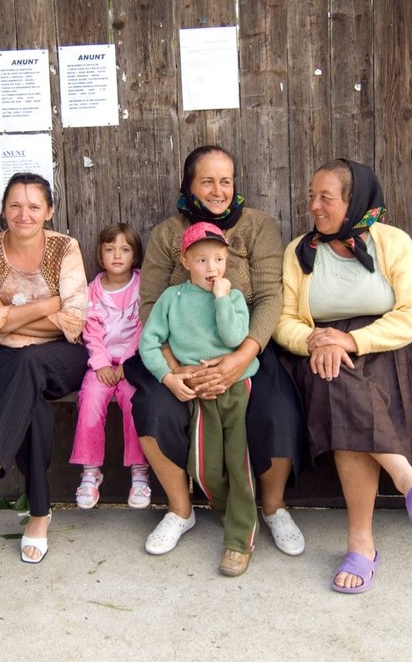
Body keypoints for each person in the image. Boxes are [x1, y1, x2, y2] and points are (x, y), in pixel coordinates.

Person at [273, 159, 412, 594]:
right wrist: (315, 341)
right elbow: (284, 320)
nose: (314, 205)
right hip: (320, 354)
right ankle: (405, 481)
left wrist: (352, 341)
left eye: (325, 197)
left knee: (343, 388)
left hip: (386, 349)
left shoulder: (393, 242)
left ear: (354, 201)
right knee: (337, 383)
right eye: (311, 195)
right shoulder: (300, 252)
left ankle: (361, 544)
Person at [129, 145, 306, 559]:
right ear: (189, 185)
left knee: (278, 409)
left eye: (225, 181)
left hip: (246, 349)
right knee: (153, 408)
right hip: (178, 355)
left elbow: (269, 297)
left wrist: (241, 356)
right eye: (207, 181)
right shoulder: (167, 235)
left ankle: (273, 506)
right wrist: (176, 367)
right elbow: (151, 305)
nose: (218, 190)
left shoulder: (259, 227)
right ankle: (180, 509)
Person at [0, 173, 88, 564]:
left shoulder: (65, 248)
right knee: (31, 398)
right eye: (15, 205)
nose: (24, 214)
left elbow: (74, 320)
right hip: (1, 359)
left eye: (34, 206)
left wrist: (5, 316)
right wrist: (44, 307)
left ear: (49, 211)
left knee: (28, 365)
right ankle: (39, 514)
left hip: (59, 355)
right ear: (3, 209)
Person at [140, 222, 260, 576]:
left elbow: (235, 336)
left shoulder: (233, 297)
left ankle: (239, 540)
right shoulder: (171, 299)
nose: (212, 268)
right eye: (203, 260)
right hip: (196, 390)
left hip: (235, 386)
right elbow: (149, 343)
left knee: (239, 463)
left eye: (219, 259)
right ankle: (225, 505)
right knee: (204, 466)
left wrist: (222, 296)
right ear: (186, 261)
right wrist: (169, 376)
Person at [69, 223, 151, 510]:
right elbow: (89, 331)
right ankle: (90, 472)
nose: (117, 255)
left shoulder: (142, 286)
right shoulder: (92, 291)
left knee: (133, 399)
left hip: (133, 363)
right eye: (110, 249)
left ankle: (140, 473)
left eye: (125, 249)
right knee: (90, 398)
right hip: (101, 364)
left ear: (135, 255)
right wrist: (102, 363)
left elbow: (144, 327)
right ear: (100, 255)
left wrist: (127, 363)